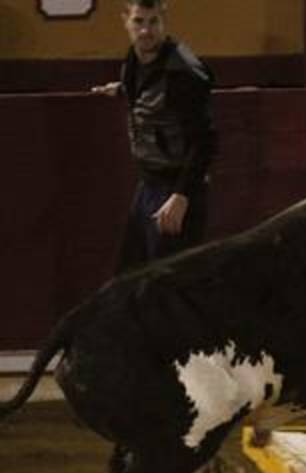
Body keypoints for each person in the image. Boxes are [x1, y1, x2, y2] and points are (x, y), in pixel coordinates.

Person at [91, 0, 216, 274]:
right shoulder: (135, 60)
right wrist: (123, 88)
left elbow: (205, 140)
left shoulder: (182, 70)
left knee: (167, 286)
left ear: (164, 21)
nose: (146, 31)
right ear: (125, 20)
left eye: (153, 22)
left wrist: (181, 196)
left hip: (177, 189)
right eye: (139, 21)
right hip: (149, 184)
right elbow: (150, 90)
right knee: (131, 276)